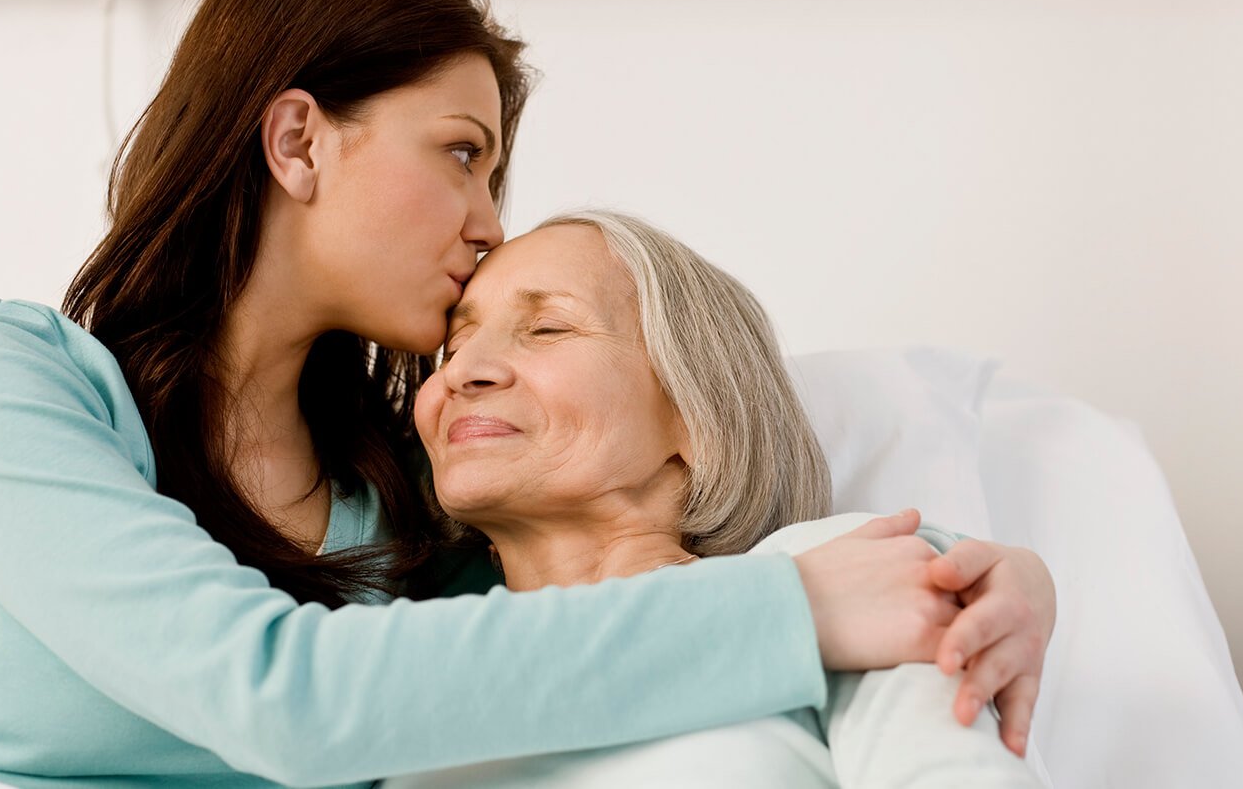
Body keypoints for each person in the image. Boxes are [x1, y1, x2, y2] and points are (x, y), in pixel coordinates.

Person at [0, 0, 1055, 786]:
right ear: (297, 142)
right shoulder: (0, 381)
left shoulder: (403, 516)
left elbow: (588, 614)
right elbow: (282, 695)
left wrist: (967, 575)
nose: (487, 219)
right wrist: (797, 608)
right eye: (463, 155)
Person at [388, 210, 1046, 787]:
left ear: (698, 417)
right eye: (455, 343)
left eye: (549, 328)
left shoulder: (828, 577)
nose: (463, 372)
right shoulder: (416, 690)